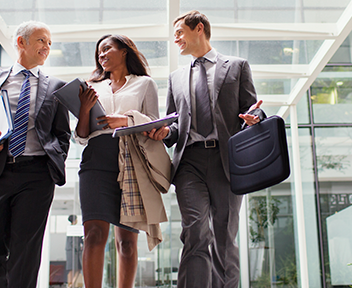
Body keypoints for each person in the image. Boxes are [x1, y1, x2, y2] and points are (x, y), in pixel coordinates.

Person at [0, 21, 94, 288]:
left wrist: (55, 157)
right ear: (20, 42)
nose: (46, 47)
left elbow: (62, 134)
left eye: (49, 43)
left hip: (37, 175)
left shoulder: (56, 87)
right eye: (41, 40)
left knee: (26, 251)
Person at [145, 10, 265, 288]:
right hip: (190, 162)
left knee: (224, 236)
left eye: (179, 33)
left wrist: (254, 118)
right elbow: (175, 125)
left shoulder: (236, 66)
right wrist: (164, 132)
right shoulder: (175, 77)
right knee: (195, 231)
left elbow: (253, 109)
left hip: (227, 161)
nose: (175, 39)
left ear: (199, 29)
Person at [75, 34, 164, 288]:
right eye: (98, 53)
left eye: (106, 49)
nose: (101, 55)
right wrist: (84, 108)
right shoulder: (92, 86)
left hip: (131, 161)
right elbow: (81, 136)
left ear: (124, 51)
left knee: (126, 241)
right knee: (93, 235)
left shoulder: (145, 84)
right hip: (95, 162)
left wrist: (125, 120)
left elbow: (155, 126)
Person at [66, 215, 83, 288]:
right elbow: (74, 241)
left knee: (76, 268)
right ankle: (70, 284)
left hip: (74, 250)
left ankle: (71, 284)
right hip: (73, 251)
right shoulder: (72, 229)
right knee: (74, 268)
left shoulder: (73, 229)